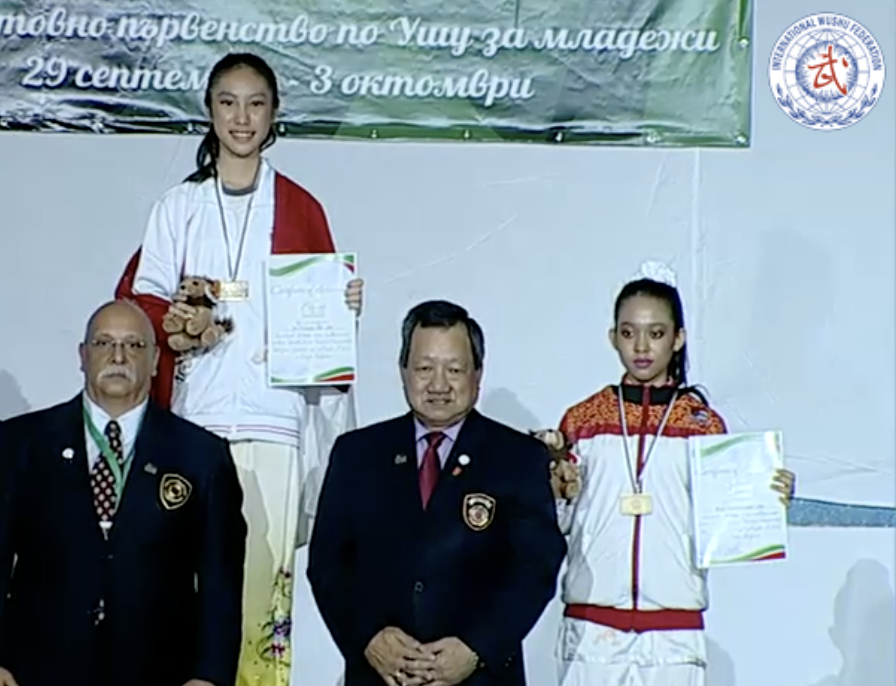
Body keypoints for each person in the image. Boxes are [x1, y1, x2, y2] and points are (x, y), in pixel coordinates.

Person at [114, 52, 362, 686]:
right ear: (209, 111)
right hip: (195, 424)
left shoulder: (302, 207)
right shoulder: (179, 206)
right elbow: (140, 304)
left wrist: (343, 306)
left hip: (274, 424)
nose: (242, 117)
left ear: (275, 114)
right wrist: (178, 323)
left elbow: (319, 324)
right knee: (187, 592)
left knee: (262, 600)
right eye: (228, 102)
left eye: (256, 103)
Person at [533, 261, 797, 686]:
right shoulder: (582, 420)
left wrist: (768, 497)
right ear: (612, 337)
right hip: (591, 632)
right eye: (628, 332)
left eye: (656, 333)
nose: (641, 346)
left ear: (678, 339)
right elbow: (561, 520)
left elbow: (725, 524)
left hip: (675, 634)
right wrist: (557, 490)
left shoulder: (703, 425)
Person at [0, 299, 248, 686]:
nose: (118, 356)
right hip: (37, 667)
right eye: (104, 343)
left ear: (156, 358)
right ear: (83, 355)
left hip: (160, 670)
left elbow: (221, 579)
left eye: (134, 345)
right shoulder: (22, 443)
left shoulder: (202, 455)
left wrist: (210, 675)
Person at [308, 300, 567, 686]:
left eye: (455, 369)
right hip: (380, 676)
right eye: (425, 368)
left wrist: (476, 648)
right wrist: (369, 638)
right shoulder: (356, 455)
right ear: (403, 372)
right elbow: (328, 565)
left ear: (478, 374)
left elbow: (536, 569)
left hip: (479, 676)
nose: (439, 385)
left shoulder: (518, 458)